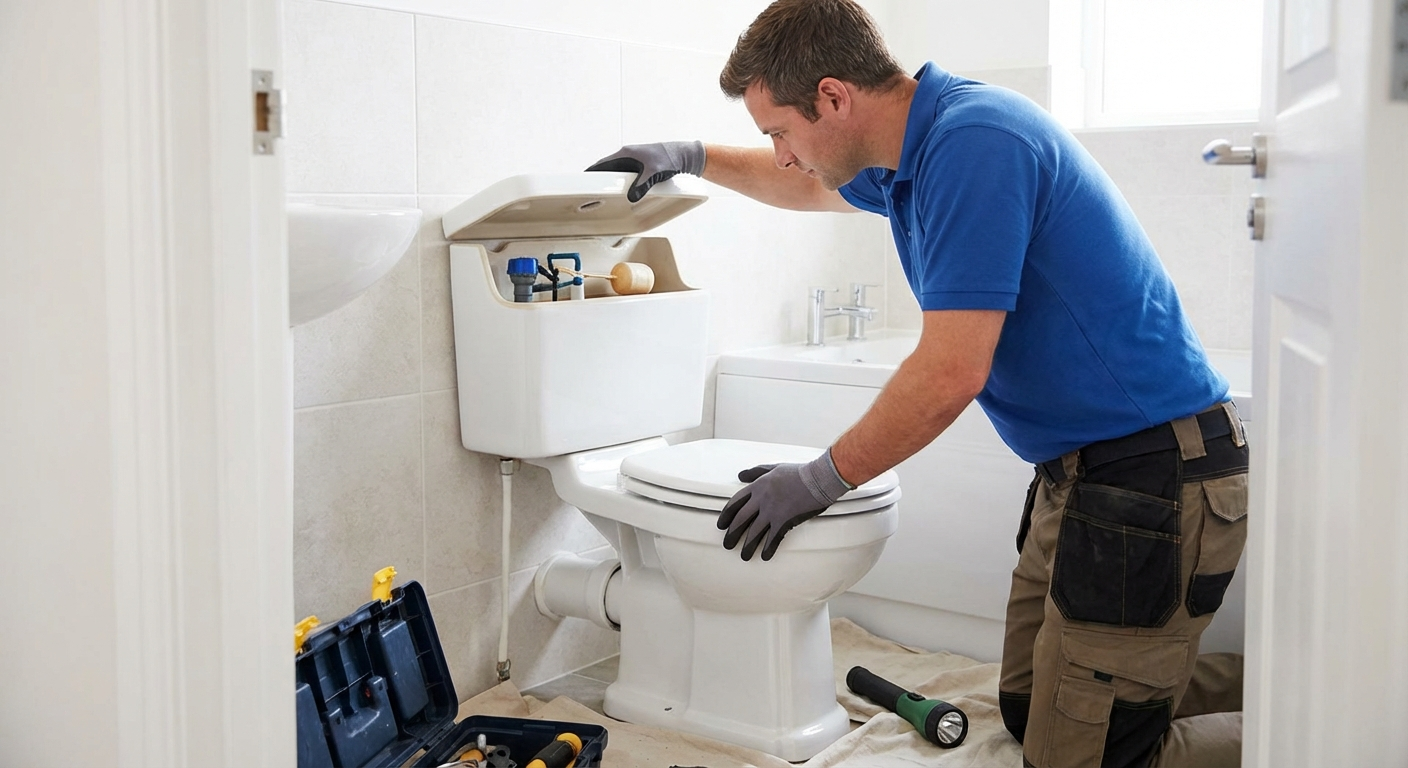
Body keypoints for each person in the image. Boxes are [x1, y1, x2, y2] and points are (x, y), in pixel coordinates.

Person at [587, 1, 1247, 765]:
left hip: (1154, 475)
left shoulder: (976, 144)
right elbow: (803, 186)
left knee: (1080, 758)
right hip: (1085, 477)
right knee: (1032, 712)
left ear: (833, 98)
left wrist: (820, 478)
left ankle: (1323, 715)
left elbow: (950, 373)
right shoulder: (912, 155)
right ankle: (1220, 694)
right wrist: (694, 155)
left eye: (780, 131)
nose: (783, 152)